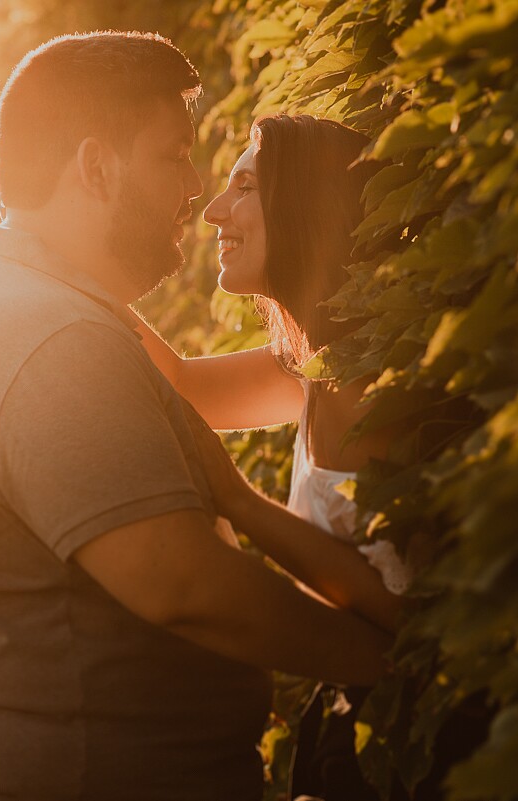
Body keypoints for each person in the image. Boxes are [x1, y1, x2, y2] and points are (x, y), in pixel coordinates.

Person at [0, 32, 394, 801]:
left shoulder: (24, 303)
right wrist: (390, 659)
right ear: (96, 167)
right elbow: (183, 586)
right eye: (175, 155)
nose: (197, 190)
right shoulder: (51, 337)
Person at [138, 114, 488, 801]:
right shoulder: (311, 363)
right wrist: (61, 269)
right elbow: (177, 387)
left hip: (430, 749)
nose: (214, 209)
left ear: (303, 207)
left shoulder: (368, 391)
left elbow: (408, 613)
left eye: (243, 187)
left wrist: (237, 498)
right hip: (363, 726)